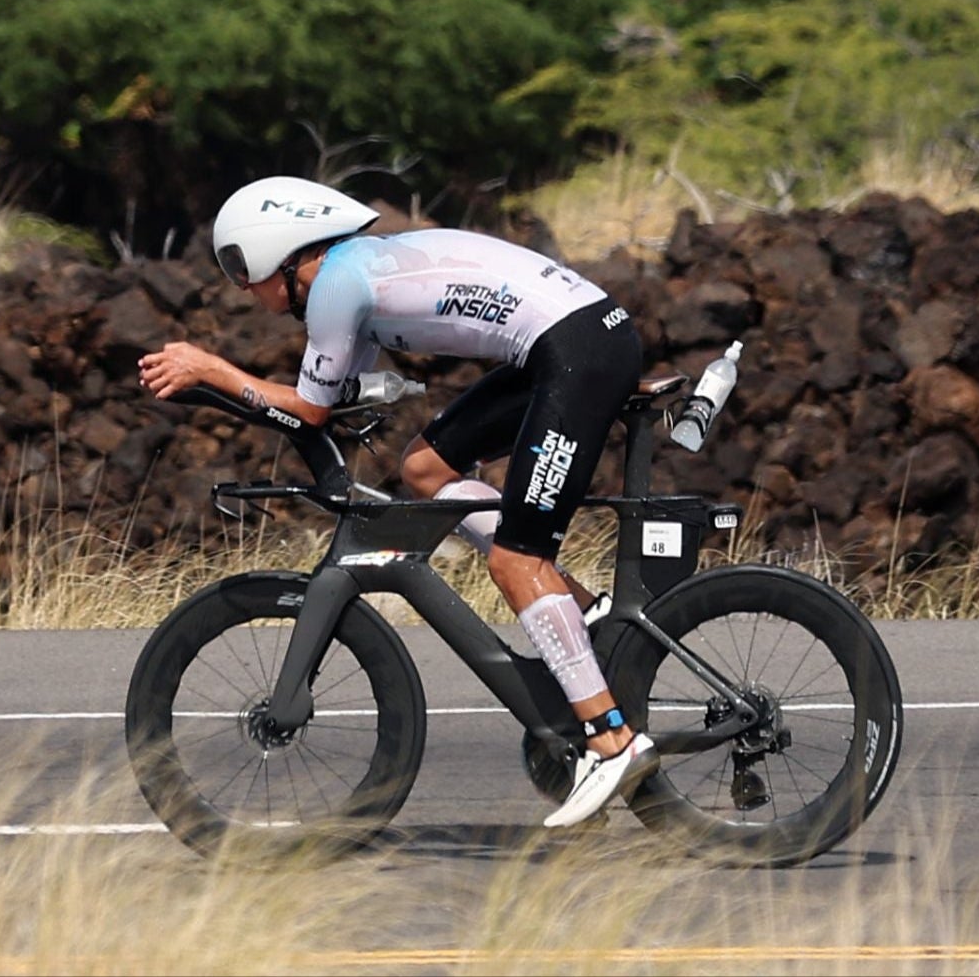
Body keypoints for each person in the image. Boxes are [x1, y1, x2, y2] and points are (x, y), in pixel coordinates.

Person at [135, 176, 653, 829]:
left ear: (280, 251)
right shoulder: (353, 272)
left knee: (516, 562)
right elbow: (341, 390)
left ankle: (611, 741)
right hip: (572, 340)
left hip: (575, 351)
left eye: (240, 267)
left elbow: (309, 411)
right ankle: (584, 612)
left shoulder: (337, 285)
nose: (241, 286)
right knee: (424, 469)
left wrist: (210, 369)